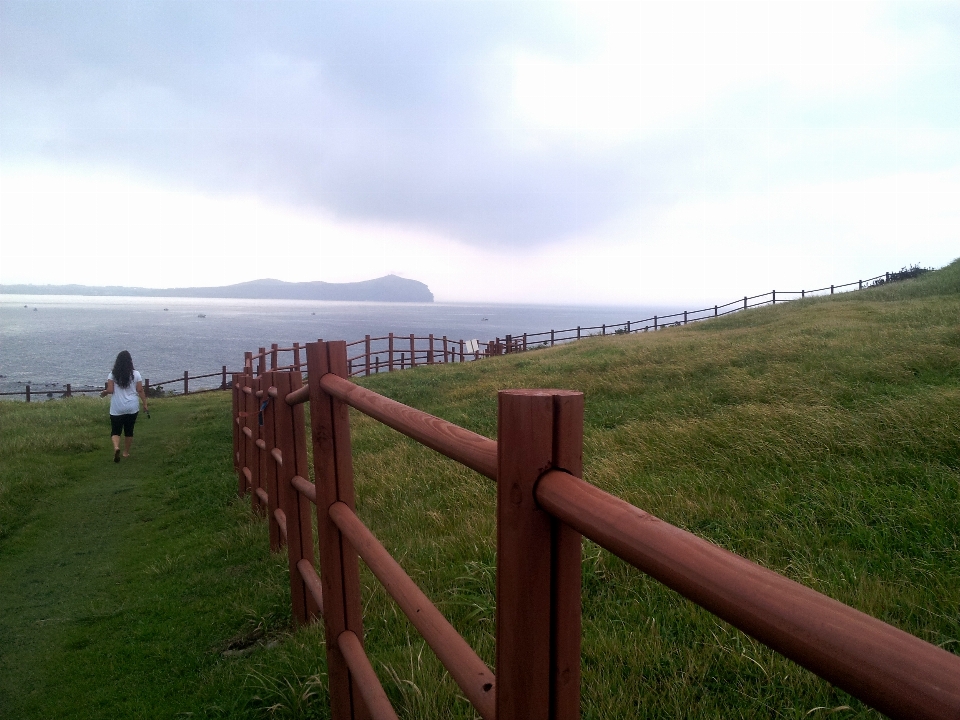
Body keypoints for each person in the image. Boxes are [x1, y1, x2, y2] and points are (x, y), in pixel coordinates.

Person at [101, 350, 148, 463]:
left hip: (117, 406)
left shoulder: (112, 374)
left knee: (115, 430)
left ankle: (116, 447)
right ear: (130, 361)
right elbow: (140, 390)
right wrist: (145, 404)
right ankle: (126, 452)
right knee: (129, 430)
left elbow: (111, 390)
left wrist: (104, 392)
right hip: (132, 407)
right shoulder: (136, 374)